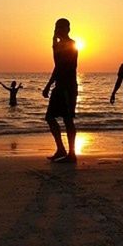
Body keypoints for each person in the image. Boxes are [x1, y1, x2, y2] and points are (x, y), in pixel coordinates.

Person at [42, 18, 78, 163]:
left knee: (67, 119)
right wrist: (54, 43)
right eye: (57, 27)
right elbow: (56, 65)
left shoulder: (71, 44)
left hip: (68, 86)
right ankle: (61, 149)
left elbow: (62, 66)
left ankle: (71, 153)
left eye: (61, 27)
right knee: (50, 117)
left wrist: (48, 85)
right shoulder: (58, 45)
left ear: (67, 29)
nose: (58, 30)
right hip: (59, 85)